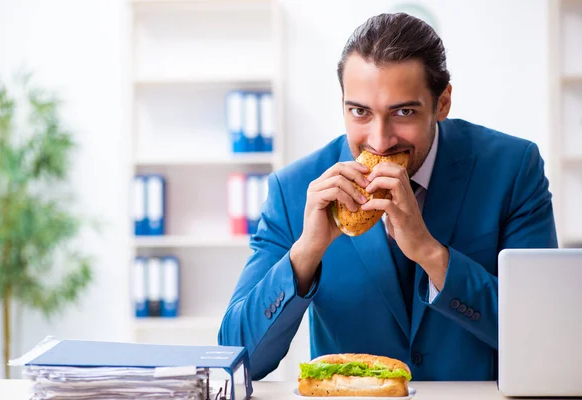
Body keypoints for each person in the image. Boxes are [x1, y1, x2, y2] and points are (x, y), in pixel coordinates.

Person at [218, 12, 558, 381]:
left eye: (404, 112)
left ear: (442, 103)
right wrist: (305, 253)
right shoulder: (294, 188)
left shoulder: (512, 169)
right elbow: (235, 358)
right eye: (360, 112)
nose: (380, 141)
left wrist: (432, 255)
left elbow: (544, 335)